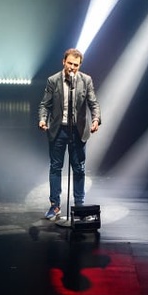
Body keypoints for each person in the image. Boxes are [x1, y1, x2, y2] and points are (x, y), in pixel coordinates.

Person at [37, 48, 101, 219]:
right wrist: (43, 119)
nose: (72, 68)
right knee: (55, 167)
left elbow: (93, 103)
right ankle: (55, 205)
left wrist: (96, 120)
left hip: (78, 131)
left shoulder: (85, 80)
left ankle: (79, 207)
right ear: (63, 62)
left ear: (80, 65)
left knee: (78, 169)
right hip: (58, 130)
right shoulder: (53, 80)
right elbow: (45, 104)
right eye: (70, 64)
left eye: (76, 65)